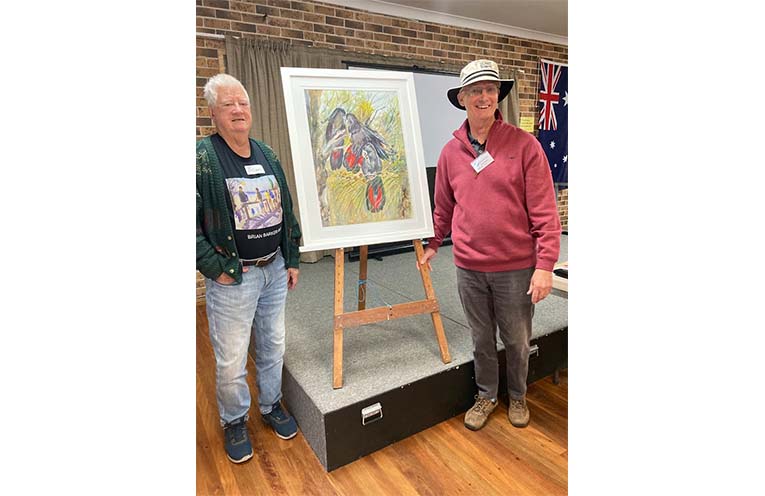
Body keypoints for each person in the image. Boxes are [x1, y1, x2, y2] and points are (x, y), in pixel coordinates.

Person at [419, 60, 561, 431]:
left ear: (498, 96)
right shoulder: (449, 153)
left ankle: (517, 395)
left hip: (515, 267)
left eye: (490, 89)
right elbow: (443, 206)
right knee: (481, 338)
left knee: (516, 339)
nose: (484, 96)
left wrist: (545, 265)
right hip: (468, 267)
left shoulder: (525, 145)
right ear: (462, 99)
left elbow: (545, 211)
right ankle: (486, 395)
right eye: (475, 90)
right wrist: (433, 242)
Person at [196, 73, 302, 463]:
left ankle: (271, 404)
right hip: (233, 277)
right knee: (232, 358)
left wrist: (291, 257)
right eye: (228, 104)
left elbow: (285, 206)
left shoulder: (266, 153)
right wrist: (215, 268)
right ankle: (235, 420)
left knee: (273, 344)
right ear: (213, 113)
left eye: (243, 103)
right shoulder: (201, 159)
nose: (238, 110)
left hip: (273, 269)